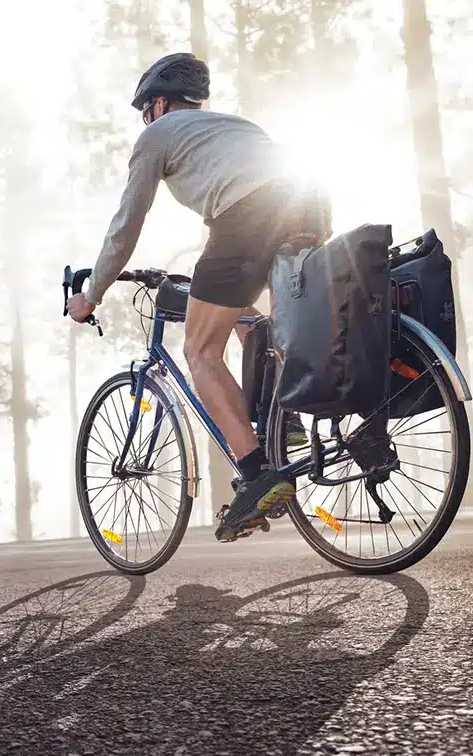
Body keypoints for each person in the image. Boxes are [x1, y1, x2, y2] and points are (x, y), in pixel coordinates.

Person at [66, 52, 331, 542]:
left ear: (159, 103)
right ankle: (284, 422)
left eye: (146, 110)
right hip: (309, 204)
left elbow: (126, 227)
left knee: (199, 350)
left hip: (248, 216)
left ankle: (256, 475)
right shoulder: (233, 127)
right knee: (254, 320)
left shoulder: (157, 135)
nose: (145, 121)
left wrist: (92, 292)